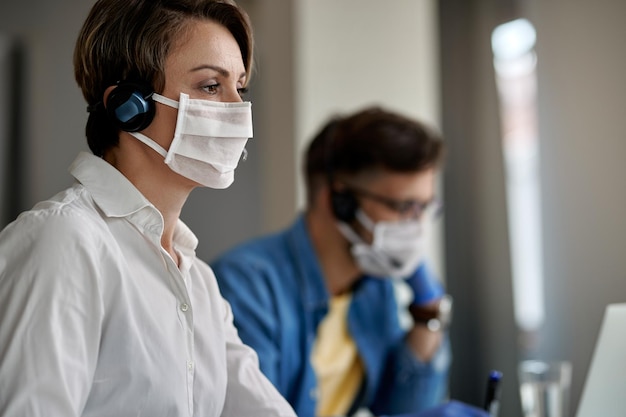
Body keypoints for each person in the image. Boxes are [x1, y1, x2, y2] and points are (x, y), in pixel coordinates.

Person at [0, 0, 296, 416]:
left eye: (240, 88)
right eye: (211, 85)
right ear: (129, 106)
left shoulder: (198, 281)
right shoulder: (65, 241)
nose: (238, 109)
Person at [211, 107, 461, 417]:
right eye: (404, 207)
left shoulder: (375, 287)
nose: (417, 226)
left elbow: (403, 409)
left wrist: (427, 311)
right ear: (340, 202)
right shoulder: (247, 286)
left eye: (424, 208)